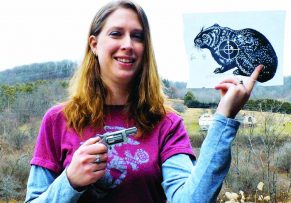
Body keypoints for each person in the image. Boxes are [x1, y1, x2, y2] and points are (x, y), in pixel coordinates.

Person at [24, 0, 263, 202]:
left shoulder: (167, 123)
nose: (128, 44)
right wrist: (70, 181)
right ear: (94, 44)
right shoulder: (57, 120)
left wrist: (224, 117)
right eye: (116, 33)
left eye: (137, 36)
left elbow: (192, 199)